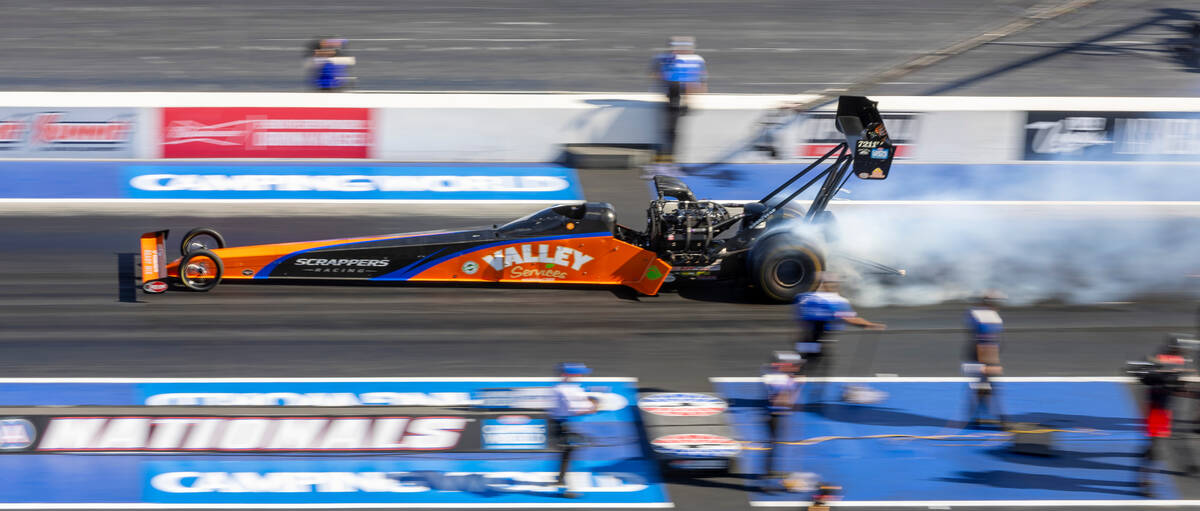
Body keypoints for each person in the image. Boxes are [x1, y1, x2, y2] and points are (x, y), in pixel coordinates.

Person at [794, 273, 885, 403]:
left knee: (803, 367)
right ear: (830, 285)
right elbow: (849, 319)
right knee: (823, 368)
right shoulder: (836, 301)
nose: (836, 287)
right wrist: (870, 325)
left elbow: (800, 318)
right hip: (820, 342)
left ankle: (791, 392)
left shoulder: (805, 298)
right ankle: (811, 398)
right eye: (835, 284)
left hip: (804, 340)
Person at [1134, 337, 1198, 496]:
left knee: (1173, 439)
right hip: (1155, 412)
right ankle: (1144, 482)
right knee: (1154, 448)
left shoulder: (1172, 367)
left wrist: (1192, 393)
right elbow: (1148, 379)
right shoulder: (1159, 368)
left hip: (1163, 411)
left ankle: (1187, 465)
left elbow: (1178, 388)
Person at [649, 36, 707, 163]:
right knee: (671, 131)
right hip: (674, 98)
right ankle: (669, 157)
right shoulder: (691, 61)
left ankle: (669, 157)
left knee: (671, 131)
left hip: (676, 99)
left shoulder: (665, 60)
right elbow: (700, 82)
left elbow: (699, 82)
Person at [550, 362, 597, 498]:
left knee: (568, 454)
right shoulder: (567, 391)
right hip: (561, 426)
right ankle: (565, 490)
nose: (581, 376)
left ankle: (560, 480)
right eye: (578, 373)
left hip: (561, 424)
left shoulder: (563, 387)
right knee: (572, 454)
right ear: (569, 375)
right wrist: (593, 408)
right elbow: (576, 410)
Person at [963, 290, 1007, 428]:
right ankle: (998, 419)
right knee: (986, 387)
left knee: (984, 387)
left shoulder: (975, 314)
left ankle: (977, 417)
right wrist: (989, 364)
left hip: (977, 357)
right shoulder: (988, 318)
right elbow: (984, 344)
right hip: (979, 359)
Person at [761, 351, 802, 481]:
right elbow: (780, 401)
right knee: (773, 446)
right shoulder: (780, 380)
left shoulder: (783, 378)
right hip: (775, 415)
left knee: (775, 446)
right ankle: (767, 474)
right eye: (794, 365)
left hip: (777, 415)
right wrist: (794, 391)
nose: (797, 368)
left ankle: (769, 471)